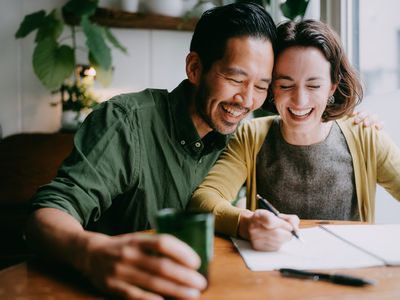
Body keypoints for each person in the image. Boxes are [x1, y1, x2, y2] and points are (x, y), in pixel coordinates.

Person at [25, 3, 277, 299]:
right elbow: (46, 214)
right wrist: (91, 253)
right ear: (195, 68)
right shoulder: (125, 121)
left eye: (261, 86)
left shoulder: (239, 140)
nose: (247, 100)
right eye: (235, 79)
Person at [189, 19, 400, 253]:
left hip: (352, 275)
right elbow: (204, 199)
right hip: (275, 277)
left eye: (313, 86)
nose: (300, 101)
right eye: (286, 85)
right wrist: (245, 223)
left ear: (332, 86)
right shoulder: (251, 136)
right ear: (272, 88)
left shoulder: (365, 135)